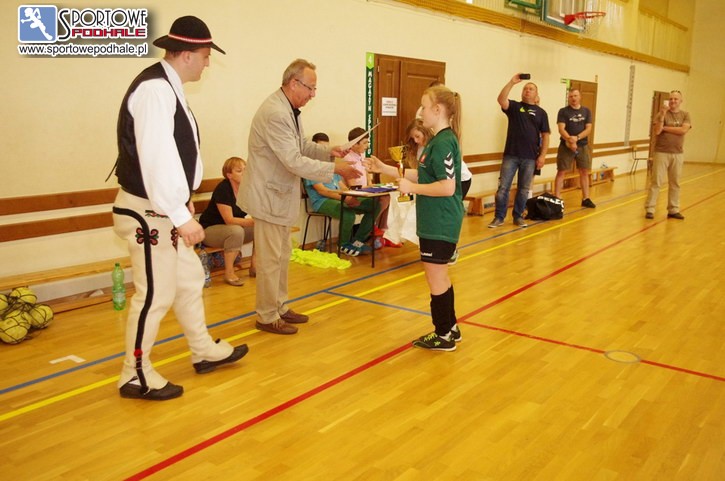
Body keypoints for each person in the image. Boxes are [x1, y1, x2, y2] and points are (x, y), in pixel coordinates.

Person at [110, 16, 248, 401]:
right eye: (205, 56)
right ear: (186, 55)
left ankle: (203, 350)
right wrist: (181, 215)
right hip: (148, 212)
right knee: (155, 294)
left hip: (162, 210)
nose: (207, 63)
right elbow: (156, 158)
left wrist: (182, 203)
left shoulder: (168, 88)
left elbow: (174, 155)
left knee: (188, 280)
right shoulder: (155, 90)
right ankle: (134, 374)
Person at [237, 59, 360, 336]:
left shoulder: (290, 109)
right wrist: (335, 168)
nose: (313, 94)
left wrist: (330, 151)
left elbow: (301, 145)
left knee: (282, 257)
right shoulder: (275, 113)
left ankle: (280, 307)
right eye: (311, 88)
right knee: (270, 261)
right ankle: (267, 316)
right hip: (267, 197)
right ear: (294, 83)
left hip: (278, 196)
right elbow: (293, 160)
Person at [366, 85, 464, 351]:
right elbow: (424, 175)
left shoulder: (443, 142)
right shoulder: (438, 140)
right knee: (440, 276)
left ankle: (443, 335)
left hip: (440, 220)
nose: (420, 112)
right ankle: (450, 328)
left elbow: (447, 187)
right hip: (435, 218)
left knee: (435, 278)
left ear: (437, 109)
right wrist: (385, 168)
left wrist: (413, 189)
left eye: (424, 106)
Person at [490, 74, 550, 228]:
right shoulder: (515, 107)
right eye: (525, 88)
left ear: (536, 94)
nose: (527, 90)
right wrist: (512, 82)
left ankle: (518, 216)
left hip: (530, 158)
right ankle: (499, 217)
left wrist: (542, 156)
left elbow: (546, 135)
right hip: (511, 155)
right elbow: (501, 100)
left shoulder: (541, 113)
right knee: (503, 188)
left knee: (523, 189)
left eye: (531, 89)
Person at [199, 157, 256, 286]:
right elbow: (229, 220)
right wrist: (254, 221)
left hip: (230, 230)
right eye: (239, 171)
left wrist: (259, 221)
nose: (244, 173)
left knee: (260, 228)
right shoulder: (223, 188)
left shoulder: (247, 188)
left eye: (246, 169)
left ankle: (255, 266)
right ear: (229, 175)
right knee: (236, 231)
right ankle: (229, 273)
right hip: (209, 230)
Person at [303, 174, 378, 256]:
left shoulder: (333, 170)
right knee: (348, 214)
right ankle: (343, 244)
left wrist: (353, 196)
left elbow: (343, 187)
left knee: (374, 205)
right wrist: (347, 199)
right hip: (322, 201)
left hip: (339, 199)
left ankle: (357, 242)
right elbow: (322, 191)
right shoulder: (313, 171)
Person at [645, 90, 692, 220]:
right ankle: (650, 208)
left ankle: (673, 209)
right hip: (661, 152)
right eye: (671, 99)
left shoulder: (685, 115)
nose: (673, 101)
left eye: (676, 99)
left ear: (680, 101)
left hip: (677, 153)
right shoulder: (661, 114)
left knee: (675, 182)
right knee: (656, 182)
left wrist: (665, 128)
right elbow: (657, 131)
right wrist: (662, 116)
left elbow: (683, 130)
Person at [554, 88, 595, 208]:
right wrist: (569, 140)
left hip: (582, 146)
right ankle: (557, 198)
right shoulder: (563, 111)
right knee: (561, 171)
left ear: (580, 97)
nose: (573, 98)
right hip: (565, 146)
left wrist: (576, 138)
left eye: (575, 96)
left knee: (584, 171)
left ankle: (586, 198)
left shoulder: (586, 111)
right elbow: (561, 129)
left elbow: (588, 129)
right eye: (571, 96)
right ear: (568, 98)